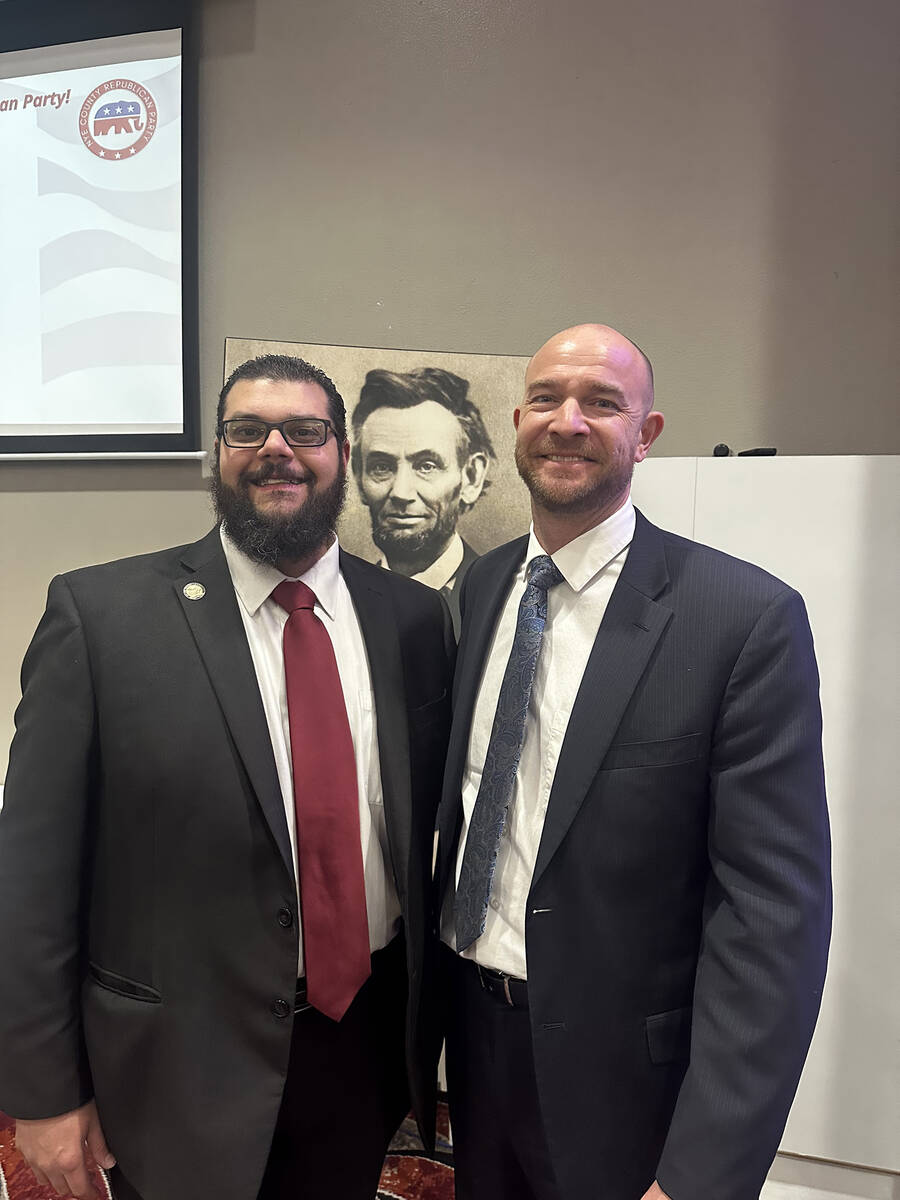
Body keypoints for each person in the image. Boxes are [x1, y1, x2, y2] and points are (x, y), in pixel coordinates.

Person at [0, 354, 454, 1200]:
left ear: (342, 455)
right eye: (248, 430)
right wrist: (41, 1088)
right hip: (176, 1065)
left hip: (360, 1048)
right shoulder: (100, 618)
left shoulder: (414, 620)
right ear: (218, 453)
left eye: (306, 431)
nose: (276, 448)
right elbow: (31, 877)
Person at [436, 324, 831, 1200]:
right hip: (475, 1042)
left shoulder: (741, 619)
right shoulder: (481, 589)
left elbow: (771, 923)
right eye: (546, 399)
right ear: (515, 423)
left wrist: (700, 1174)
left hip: (628, 1087)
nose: (567, 421)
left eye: (602, 402)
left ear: (646, 435)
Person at [351, 366, 495, 634]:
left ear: (471, 477)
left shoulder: (503, 601)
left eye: (426, 466)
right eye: (382, 467)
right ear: (359, 477)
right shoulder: (342, 602)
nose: (401, 493)